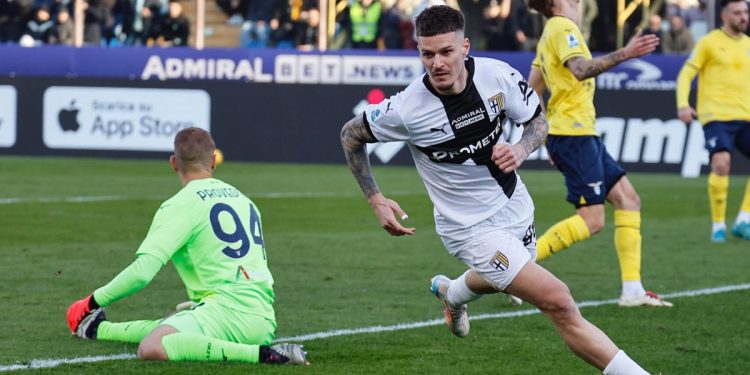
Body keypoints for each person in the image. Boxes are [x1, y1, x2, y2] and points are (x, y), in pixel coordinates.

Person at [340, 5, 652, 374]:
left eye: (446, 52)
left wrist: (521, 148)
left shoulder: (498, 76)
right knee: (559, 301)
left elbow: (537, 120)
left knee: (509, 274)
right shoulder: (407, 108)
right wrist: (376, 199)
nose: (436, 63)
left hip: (514, 205)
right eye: (427, 54)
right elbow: (350, 134)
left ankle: (452, 293)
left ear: (465, 47)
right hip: (467, 228)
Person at [65, 128, 308, 366]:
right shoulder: (244, 200)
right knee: (172, 323)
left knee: (153, 346)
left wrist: (91, 302)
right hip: (263, 318)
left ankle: (264, 355)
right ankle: (97, 329)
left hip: (227, 314)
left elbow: (142, 272)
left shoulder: (180, 204)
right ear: (213, 161)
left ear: (173, 163)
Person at [527, 0, 673, 307]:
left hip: (577, 134)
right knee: (592, 220)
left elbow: (533, 88)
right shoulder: (563, 28)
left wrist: (544, 135)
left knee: (628, 200)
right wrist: (626, 53)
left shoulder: (549, 32)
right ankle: (518, 268)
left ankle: (632, 291)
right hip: (574, 134)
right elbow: (579, 70)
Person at [676, 0, 750, 242]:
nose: (743, 16)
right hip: (715, 115)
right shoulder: (709, 42)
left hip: (745, 115)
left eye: (745, 12)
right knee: (721, 163)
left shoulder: (749, 44)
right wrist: (683, 104)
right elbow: (687, 73)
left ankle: (743, 221)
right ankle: (718, 226)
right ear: (724, 16)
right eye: (737, 12)